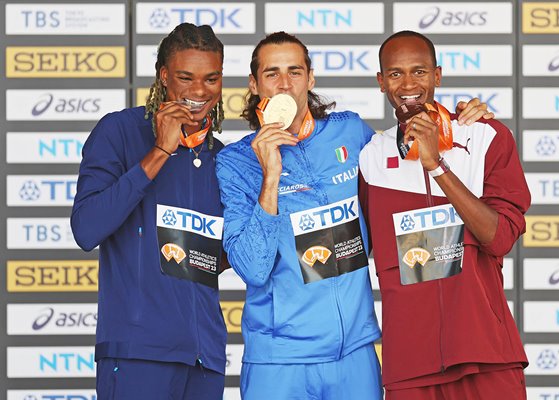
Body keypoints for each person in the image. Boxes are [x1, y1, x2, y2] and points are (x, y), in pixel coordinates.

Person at [215, 31, 492, 400]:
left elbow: (410, 154)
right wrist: (271, 176)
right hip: (279, 361)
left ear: (310, 78)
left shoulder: (351, 131)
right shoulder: (235, 163)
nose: (285, 84)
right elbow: (252, 268)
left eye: (295, 72)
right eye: (272, 74)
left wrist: (462, 119)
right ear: (254, 84)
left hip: (356, 353)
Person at [359, 31, 530, 400]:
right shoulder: (370, 154)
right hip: (410, 367)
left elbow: (499, 237)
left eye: (419, 72)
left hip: (486, 353)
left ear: (437, 75)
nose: (408, 84)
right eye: (395, 74)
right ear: (380, 82)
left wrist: (437, 165)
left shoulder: (486, 136)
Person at [71, 23, 227, 400]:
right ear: (163, 76)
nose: (199, 91)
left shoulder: (222, 156)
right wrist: (159, 152)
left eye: (211, 78)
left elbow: (219, 256)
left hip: (204, 356)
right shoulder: (120, 131)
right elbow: (86, 228)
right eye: (185, 78)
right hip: (138, 352)